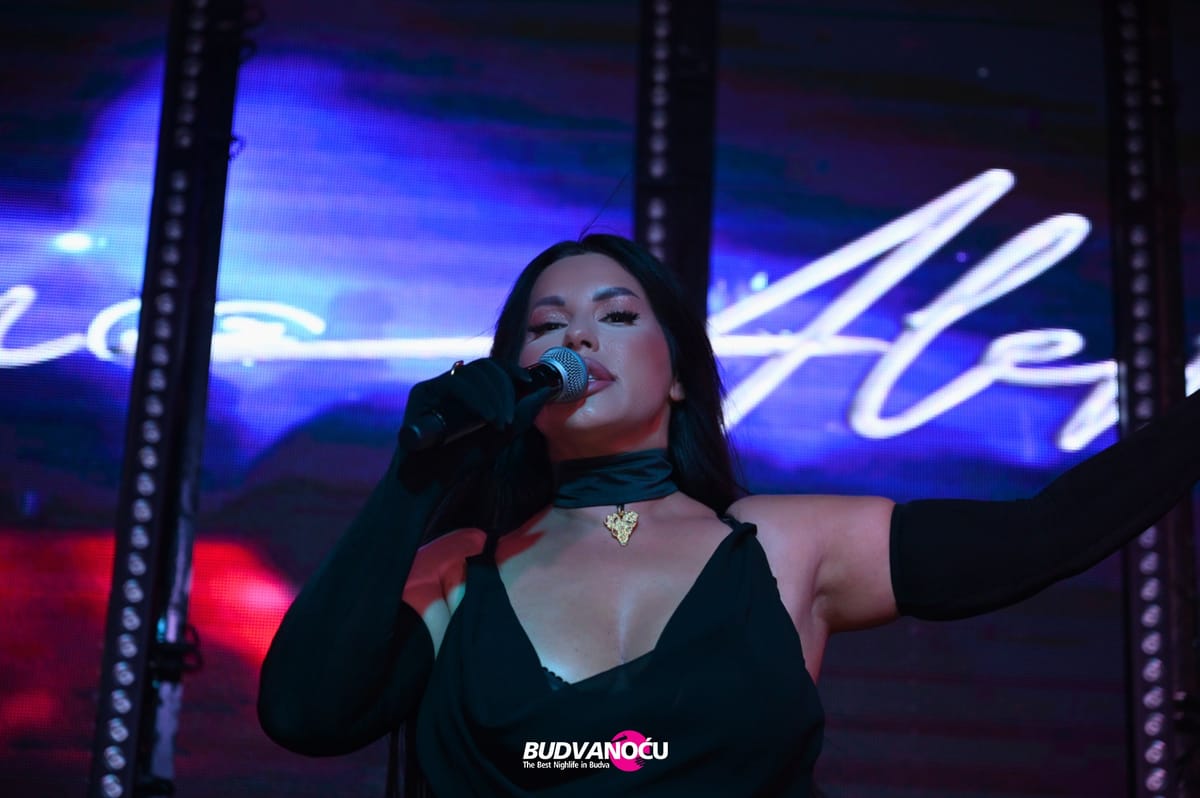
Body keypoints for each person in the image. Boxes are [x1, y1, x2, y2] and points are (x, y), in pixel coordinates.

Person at [257, 233, 1200, 796]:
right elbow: (305, 714)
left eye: (617, 315)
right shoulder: (462, 567)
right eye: (545, 326)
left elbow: (1047, 534)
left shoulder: (786, 543)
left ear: (677, 375)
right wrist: (417, 476)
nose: (576, 335)